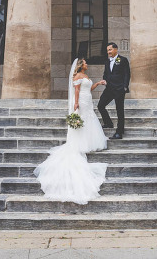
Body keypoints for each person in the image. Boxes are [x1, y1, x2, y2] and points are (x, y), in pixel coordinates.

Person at [33, 58, 108, 204]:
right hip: (81, 102)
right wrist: (76, 103)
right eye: (85, 63)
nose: (87, 64)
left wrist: (98, 84)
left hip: (88, 100)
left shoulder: (85, 76)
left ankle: (89, 141)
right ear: (80, 65)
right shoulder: (78, 76)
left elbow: (88, 89)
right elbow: (77, 90)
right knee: (83, 120)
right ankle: (80, 142)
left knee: (89, 120)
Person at [98, 42, 131, 139]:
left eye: (110, 49)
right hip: (109, 88)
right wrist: (104, 80)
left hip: (119, 89)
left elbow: (127, 74)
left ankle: (119, 132)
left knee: (119, 110)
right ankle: (108, 123)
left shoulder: (123, 60)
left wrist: (125, 87)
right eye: (107, 50)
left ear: (116, 49)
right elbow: (106, 73)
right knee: (100, 105)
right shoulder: (107, 61)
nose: (108, 52)